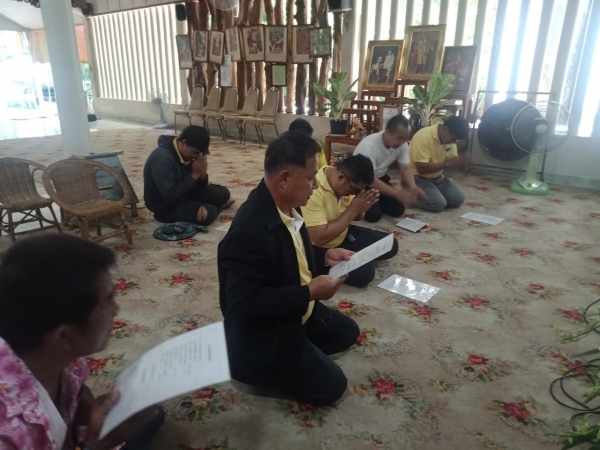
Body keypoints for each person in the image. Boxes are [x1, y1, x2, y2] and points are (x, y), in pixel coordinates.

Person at [218, 132, 360, 406]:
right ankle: (266, 363)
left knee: (348, 333)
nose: (315, 187)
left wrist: (324, 255)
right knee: (332, 386)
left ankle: (300, 343)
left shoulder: (288, 206)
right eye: (310, 179)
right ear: (284, 179)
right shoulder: (249, 231)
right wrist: (309, 293)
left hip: (295, 310)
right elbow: (244, 303)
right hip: (263, 331)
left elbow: (291, 252)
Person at [0, 234, 164, 450]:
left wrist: (95, 411)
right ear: (63, 337)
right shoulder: (7, 433)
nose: (116, 310)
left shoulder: (53, 350)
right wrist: (95, 444)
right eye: (108, 300)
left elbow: (76, 390)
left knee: (150, 414)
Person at [302, 155, 399, 288]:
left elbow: (357, 217)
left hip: (342, 233)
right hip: (321, 248)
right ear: (341, 178)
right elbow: (318, 239)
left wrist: (361, 208)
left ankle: (353, 254)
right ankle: (318, 268)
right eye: (354, 190)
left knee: (391, 244)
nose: (353, 194)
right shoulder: (314, 190)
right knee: (365, 273)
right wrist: (353, 209)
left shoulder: (343, 182)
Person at [143, 125, 234, 226]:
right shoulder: (162, 160)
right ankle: (219, 207)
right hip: (165, 206)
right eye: (195, 153)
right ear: (183, 143)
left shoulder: (186, 153)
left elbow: (199, 187)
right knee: (206, 214)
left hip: (185, 192)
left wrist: (202, 175)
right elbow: (169, 196)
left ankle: (212, 204)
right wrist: (195, 175)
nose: (196, 157)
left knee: (223, 193)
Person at [353, 114, 425, 222]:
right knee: (374, 215)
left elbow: (405, 167)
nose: (401, 142)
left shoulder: (402, 144)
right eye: (399, 138)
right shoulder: (369, 146)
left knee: (398, 210)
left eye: (405, 139)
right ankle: (354, 198)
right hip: (360, 181)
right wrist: (397, 193)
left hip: (379, 178)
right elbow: (370, 179)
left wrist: (413, 188)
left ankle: (376, 198)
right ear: (387, 132)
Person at [409, 116, 469, 212]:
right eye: (454, 139)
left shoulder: (450, 139)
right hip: (418, 177)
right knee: (438, 204)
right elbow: (421, 168)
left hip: (438, 177)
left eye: (456, 140)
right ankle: (409, 194)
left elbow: (453, 160)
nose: (454, 142)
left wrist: (461, 160)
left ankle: (433, 192)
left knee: (458, 199)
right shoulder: (423, 136)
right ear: (445, 129)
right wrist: (447, 164)